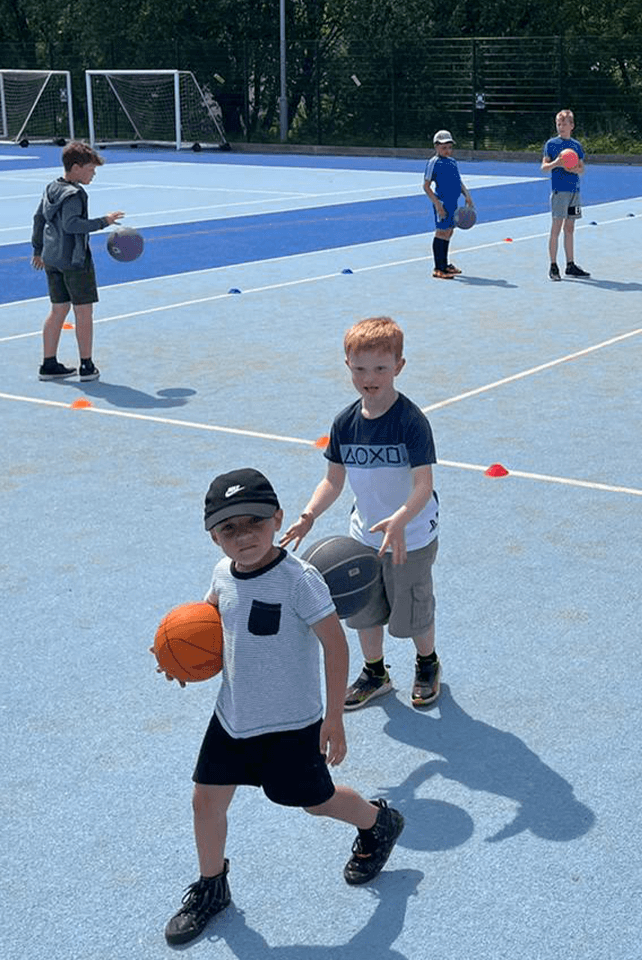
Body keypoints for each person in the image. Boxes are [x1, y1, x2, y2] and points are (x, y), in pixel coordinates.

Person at [160, 467, 406, 946]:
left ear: (277, 519)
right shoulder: (220, 574)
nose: (243, 535)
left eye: (254, 522)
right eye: (229, 528)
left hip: (292, 727)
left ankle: (380, 822)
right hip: (233, 718)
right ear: (214, 537)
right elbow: (206, 621)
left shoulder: (300, 581)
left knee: (317, 803)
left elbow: (336, 647)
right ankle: (213, 889)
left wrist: (334, 716)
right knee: (205, 801)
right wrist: (179, 656)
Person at [281, 317, 443, 709]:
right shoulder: (345, 423)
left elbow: (423, 484)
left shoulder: (410, 422)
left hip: (412, 534)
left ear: (399, 367)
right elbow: (332, 481)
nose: (370, 377)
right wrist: (309, 515)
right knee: (363, 609)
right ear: (348, 366)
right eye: (360, 369)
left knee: (412, 609)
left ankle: (427, 663)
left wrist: (402, 518)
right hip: (365, 536)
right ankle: (376, 672)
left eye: (381, 368)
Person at [30, 140, 124, 381]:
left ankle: (48, 364)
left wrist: (38, 249)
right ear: (76, 167)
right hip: (74, 260)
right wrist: (104, 221)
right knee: (83, 313)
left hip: (52, 258)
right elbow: (72, 225)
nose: (93, 174)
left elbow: (39, 218)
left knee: (58, 309)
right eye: (91, 170)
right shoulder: (75, 194)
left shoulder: (51, 188)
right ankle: (87, 366)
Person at [542, 108, 591, 280]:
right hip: (559, 192)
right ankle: (553, 266)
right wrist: (558, 163)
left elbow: (582, 169)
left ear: (572, 126)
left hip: (574, 192)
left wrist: (573, 168)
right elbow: (544, 167)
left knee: (570, 228)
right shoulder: (551, 144)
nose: (561, 127)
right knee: (556, 228)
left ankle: (570, 264)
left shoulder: (576, 146)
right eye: (558, 124)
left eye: (564, 124)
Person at [423, 130, 475, 279]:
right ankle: (438, 268)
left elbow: (458, 182)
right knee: (441, 232)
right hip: (442, 204)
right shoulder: (433, 163)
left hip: (454, 203)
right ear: (436, 147)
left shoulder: (452, 162)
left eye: (449, 147)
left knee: (449, 232)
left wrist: (467, 195)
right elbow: (426, 186)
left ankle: (445, 264)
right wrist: (437, 204)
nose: (447, 150)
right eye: (443, 147)